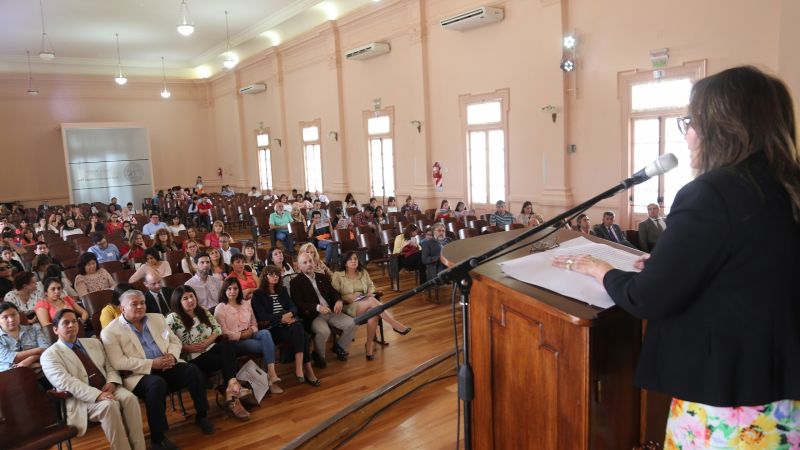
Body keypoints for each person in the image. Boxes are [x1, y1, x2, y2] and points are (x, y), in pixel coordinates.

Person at [552, 66, 800, 448]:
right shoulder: (787, 188)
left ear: (722, 127)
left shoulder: (713, 193)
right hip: (783, 390)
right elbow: (752, 269)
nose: (687, 135)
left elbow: (648, 297)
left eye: (691, 122)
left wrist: (602, 270)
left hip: (728, 398)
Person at [101, 290, 215, 449]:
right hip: (138, 374)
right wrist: (152, 364)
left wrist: (172, 356)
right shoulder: (110, 331)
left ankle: (202, 416)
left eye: (142, 302)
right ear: (122, 308)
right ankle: (158, 437)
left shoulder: (157, 318)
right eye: (134, 304)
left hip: (167, 364)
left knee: (192, 371)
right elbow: (119, 362)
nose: (140, 306)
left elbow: (175, 342)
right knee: (156, 384)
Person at [41, 308, 147, 450]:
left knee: (130, 399)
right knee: (109, 406)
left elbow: (109, 365)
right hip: (81, 399)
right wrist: (98, 395)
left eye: (74, 322)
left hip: (108, 387)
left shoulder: (93, 343)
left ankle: (140, 448)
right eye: (66, 323)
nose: (71, 325)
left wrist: (112, 382)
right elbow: (66, 383)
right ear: (55, 330)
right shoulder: (49, 355)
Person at [165, 286, 249, 421]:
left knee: (227, 346)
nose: (190, 300)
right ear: (178, 301)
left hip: (210, 348)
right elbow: (167, 343)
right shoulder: (172, 318)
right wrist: (187, 348)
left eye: (191, 296)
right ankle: (232, 390)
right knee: (228, 359)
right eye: (185, 298)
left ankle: (231, 387)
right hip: (192, 357)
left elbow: (217, 329)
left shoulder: (202, 310)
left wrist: (208, 342)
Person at [331, 251, 411, 361]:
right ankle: (395, 324)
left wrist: (369, 293)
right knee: (372, 303)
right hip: (348, 307)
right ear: (345, 262)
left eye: (355, 259)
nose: (354, 261)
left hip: (365, 302)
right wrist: (349, 297)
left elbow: (371, 286)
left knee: (373, 312)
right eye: (350, 259)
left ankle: (369, 346)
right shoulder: (338, 275)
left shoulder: (363, 272)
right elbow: (334, 295)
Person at [251, 265, 320, 386]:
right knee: (302, 333)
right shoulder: (258, 294)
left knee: (298, 327)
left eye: (277, 274)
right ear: (265, 277)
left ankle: (299, 367)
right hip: (273, 329)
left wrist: (290, 314)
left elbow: (293, 307)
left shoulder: (282, 290)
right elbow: (262, 316)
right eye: (271, 275)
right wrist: (282, 318)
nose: (275, 277)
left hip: (289, 325)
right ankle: (307, 368)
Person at [214, 277, 284, 393]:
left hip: (250, 333)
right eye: (229, 289)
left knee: (266, 333)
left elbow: (254, 323)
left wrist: (251, 331)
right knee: (267, 345)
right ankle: (269, 378)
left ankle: (271, 374)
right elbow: (223, 332)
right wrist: (241, 335)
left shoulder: (245, 303)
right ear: (224, 291)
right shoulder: (220, 308)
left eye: (235, 288)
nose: (232, 291)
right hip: (235, 342)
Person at [290, 252, 356, 368]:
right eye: (304, 263)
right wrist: (317, 307)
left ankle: (339, 347)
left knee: (352, 323)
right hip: (314, 315)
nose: (309, 264)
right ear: (299, 266)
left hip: (330, 311)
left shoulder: (322, 277)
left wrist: (339, 301)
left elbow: (334, 292)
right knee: (324, 331)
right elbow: (299, 303)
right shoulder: (295, 282)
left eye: (310, 261)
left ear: (314, 262)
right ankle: (319, 355)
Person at [0, 302, 49, 371]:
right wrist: (39, 350)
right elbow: (12, 357)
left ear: (18, 314)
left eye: (14, 315)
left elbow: (46, 348)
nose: (11, 320)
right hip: (11, 374)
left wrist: (30, 359)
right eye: (5, 317)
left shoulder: (33, 329)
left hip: (41, 369)